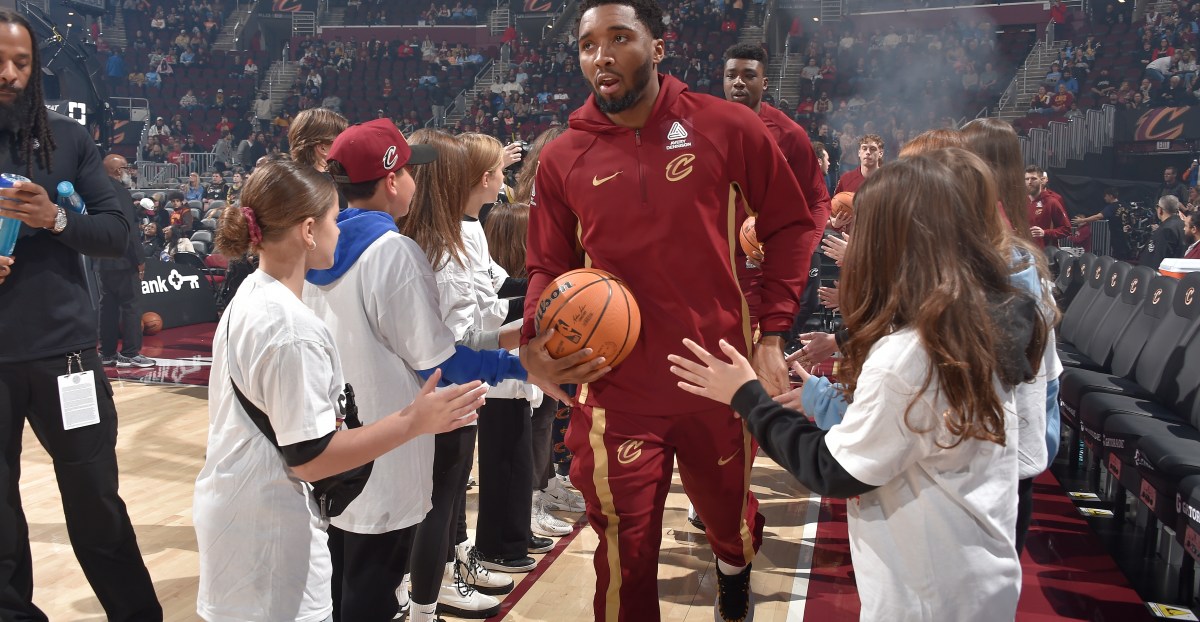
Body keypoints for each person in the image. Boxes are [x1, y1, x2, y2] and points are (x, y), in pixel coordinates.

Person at [519, 1, 815, 619]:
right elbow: (547, 266)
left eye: (619, 37)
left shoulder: (729, 126)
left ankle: (733, 567)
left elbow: (790, 223)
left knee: (729, 521)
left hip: (719, 373)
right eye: (588, 44)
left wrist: (772, 334)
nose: (601, 55)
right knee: (624, 554)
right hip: (615, 384)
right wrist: (534, 338)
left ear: (657, 47)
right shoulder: (562, 156)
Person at [667, 150, 1045, 621]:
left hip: (924, 598)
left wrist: (748, 397)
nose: (852, 242)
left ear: (897, 243)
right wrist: (821, 398)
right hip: (975, 579)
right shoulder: (974, 320)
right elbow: (916, 430)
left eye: (864, 229)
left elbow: (832, 469)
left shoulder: (910, 354)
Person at [193, 159, 487, 622]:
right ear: (308, 230)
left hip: (241, 511)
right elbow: (312, 458)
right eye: (334, 218)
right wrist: (414, 421)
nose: (341, 227)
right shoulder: (292, 329)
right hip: (270, 530)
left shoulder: (252, 294)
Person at [303, 119, 547, 622]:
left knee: (342, 585)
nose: (420, 182)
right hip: (388, 449)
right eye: (413, 172)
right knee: (373, 592)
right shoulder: (394, 251)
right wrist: (524, 366)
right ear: (392, 180)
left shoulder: (318, 250)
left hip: (339, 442)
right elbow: (446, 363)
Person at [0, 11, 162, 620]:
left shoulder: (67, 141)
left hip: (68, 356)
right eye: (0, 61)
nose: (10, 74)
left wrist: (55, 219)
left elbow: (119, 232)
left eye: (21, 63)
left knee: (96, 501)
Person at [721, 43, 829, 340]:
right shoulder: (702, 128)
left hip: (761, 268)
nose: (738, 82)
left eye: (748, 75)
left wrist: (802, 251)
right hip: (713, 264)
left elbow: (818, 200)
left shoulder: (790, 134)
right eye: (731, 75)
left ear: (764, 82)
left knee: (755, 352)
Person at [97, 154, 154, 368]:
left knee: (108, 306)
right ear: (117, 171)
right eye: (126, 167)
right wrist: (139, 259)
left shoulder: (97, 191)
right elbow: (128, 230)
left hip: (102, 258)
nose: (129, 172)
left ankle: (107, 352)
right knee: (130, 305)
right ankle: (130, 353)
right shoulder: (119, 191)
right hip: (123, 259)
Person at [1073, 187, 1134, 259]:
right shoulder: (1126, 206)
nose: (1104, 198)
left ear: (1110, 196)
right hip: (1129, 238)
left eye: (1106, 196)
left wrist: (1083, 220)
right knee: (1128, 259)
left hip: (1118, 238)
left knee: (1119, 259)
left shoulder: (1111, 207)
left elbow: (1097, 217)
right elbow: (1133, 220)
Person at [289, 108, 349, 173]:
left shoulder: (286, 180)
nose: (348, 147)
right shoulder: (335, 182)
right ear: (323, 148)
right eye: (342, 141)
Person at [1025, 165, 1071, 249]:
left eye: (1033, 178)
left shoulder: (1052, 202)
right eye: (1027, 179)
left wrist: (1045, 233)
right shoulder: (1021, 202)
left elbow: (1066, 229)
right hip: (1024, 252)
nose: (1029, 182)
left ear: (1042, 180)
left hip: (1044, 254)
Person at [1143, 194, 1186, 269]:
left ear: (1160, 210)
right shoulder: (1183, 224)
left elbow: (1158, 257)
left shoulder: (1166, 230)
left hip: (1163, 275)